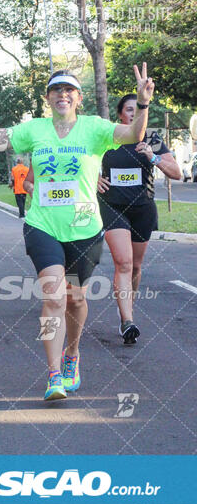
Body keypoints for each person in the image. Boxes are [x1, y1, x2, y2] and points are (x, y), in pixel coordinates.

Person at [0, 64, 155, 401]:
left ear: (78, 98)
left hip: (84, 227)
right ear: (48, 98)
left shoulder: (94, 128)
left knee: (76, 298)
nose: (63, 95)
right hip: (43, 225)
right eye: (56, 91)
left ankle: (72, 354)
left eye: (69, 90)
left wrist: (142, 105)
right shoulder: (34, 129)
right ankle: (54, 374)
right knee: (53, 295)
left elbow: (133, 136)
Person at [97, 94, 181, 344]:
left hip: (143, 208)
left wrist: (152, 157)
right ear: (121, 114)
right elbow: (83, 162)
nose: (134, 113)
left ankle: (127, 309)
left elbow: (176, 172)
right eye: (129, 109)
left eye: (138, 109)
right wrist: (92, 179)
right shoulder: (109, 136)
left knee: (135, 266)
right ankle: (127, 321)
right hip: (112, 206)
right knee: (123, 263)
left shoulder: (152, 137)